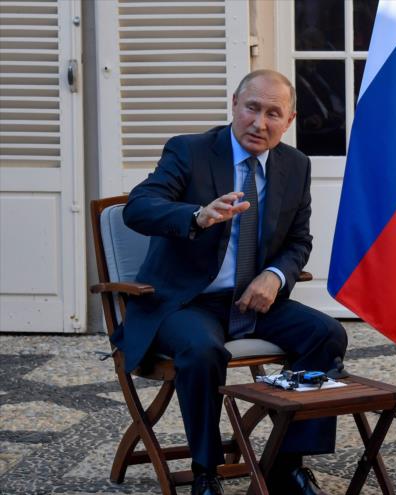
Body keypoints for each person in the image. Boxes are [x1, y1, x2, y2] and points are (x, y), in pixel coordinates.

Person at [118, 69, 347, 495]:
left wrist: (275, 276)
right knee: (204, 351)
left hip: (250, 301)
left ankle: (286, 465)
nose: (260, 123)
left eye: (273, 114)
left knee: (327, 335)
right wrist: (197, 215)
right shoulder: (190, 151)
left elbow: (299, 240)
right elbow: (139, 208)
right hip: (185, 303)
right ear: (234, 105)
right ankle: (206, 473)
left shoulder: (295, 165)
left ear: (289, 120)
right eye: (252, 108)